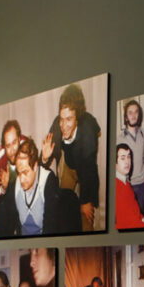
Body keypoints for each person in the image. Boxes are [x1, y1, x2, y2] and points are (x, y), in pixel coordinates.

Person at [41, 83, 101, 231]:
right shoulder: (57, 124)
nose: (63, 125)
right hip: (68, 163)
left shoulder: (87, 131)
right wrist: (43, 158)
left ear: (78, 118)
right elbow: (41, 163)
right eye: (62, 118)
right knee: (62, 205)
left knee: (86, 216)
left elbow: (89, 170)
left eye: (69, 119)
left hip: (86, 169)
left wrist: (85, 201)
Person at [0, 139, 80, 237]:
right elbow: (6, 222)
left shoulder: (48, 181)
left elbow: (50, 227)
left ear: (35, 167)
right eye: (19, 173)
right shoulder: (15, 184)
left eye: (25, 173)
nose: (21, 179)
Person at [118, 99, 144, 213]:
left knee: (141, 215)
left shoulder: (143, 133)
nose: (133, 115)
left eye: (136, 112)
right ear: (126, 117)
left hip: (142, 184)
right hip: (127, 185)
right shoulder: (120, 138)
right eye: (130, 112)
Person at [115, 144, 144, 229]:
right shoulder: (117, 187)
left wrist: (143, 219)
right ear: (114, 163)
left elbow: (135, 212)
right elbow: (126, 224)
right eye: (123, 158)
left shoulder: (125, 181)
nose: (127, 162)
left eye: (128, 157)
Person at [0, 120, 27, 202]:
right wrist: (3, 187)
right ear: (4, 147)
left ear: (19, 139)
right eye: (8, 146)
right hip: (7, 199)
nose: (12, 150)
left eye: (14, 143)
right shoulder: (0, 158)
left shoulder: (26, 146)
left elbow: (36, 173)